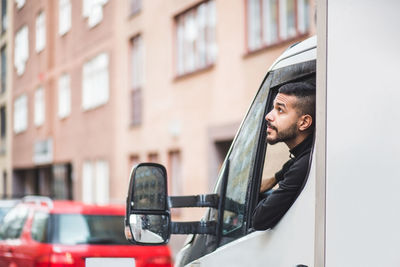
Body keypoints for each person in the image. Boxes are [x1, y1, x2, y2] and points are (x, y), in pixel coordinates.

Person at [252, 81, 315, 230]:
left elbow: (259, 220)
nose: (268, 116)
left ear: (304, 122)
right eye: (273, 108)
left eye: (280, 110)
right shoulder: (307, 154)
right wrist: (275, 178)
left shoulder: (306, 163)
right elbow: (291, 166)